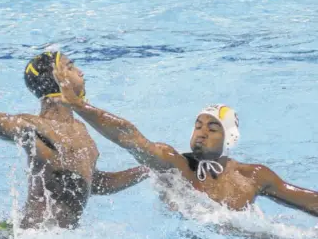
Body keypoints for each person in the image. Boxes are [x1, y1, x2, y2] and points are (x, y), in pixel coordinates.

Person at [0, 51, 149, 229]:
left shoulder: (81, 129)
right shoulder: (32, 126)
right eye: (71, 66)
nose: (81, 72)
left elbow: (92, 184)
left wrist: (149, 170)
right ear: (58, 78)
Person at [53, 65, 318, 217]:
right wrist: (80, 106)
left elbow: (309, 201)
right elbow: (130, 138)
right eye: (198, 125)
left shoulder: (254, 176)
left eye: (213, 128)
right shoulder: (174, 164)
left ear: (230, 139)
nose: (201, 132)